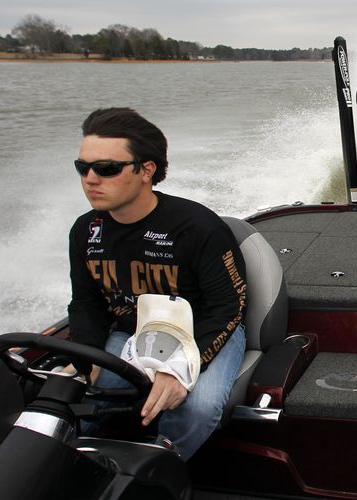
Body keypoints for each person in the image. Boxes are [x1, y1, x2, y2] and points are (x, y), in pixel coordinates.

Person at [67, 107, 247, 461]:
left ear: (146, 170)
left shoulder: (199, 228)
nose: (90, 179)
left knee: (196, 408)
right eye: (82, 167)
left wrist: (178, 366)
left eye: (106, 169)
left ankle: (159, 471)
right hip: (130, 330)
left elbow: (229, 306)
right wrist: (83, 359)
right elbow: (86, 303)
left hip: (203, 329)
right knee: (82, 394)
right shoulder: (85, 231)